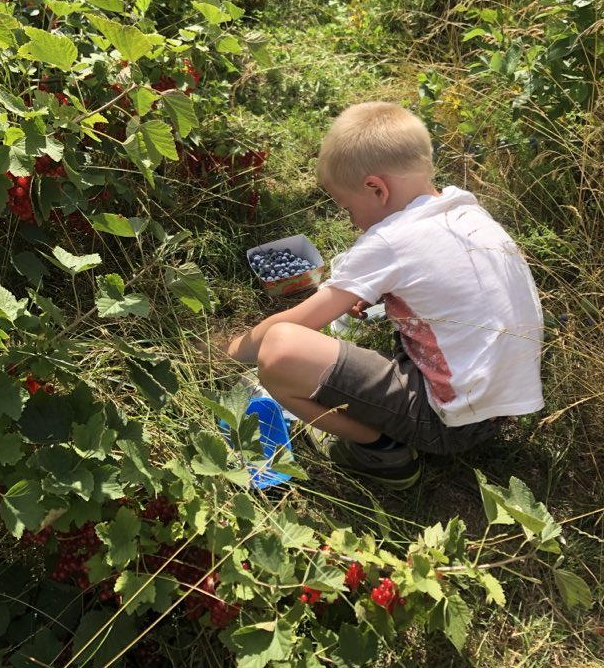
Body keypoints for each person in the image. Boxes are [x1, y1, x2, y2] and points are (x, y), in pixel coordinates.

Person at [225, 101, 544, 489]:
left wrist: (228, 351)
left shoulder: (390, 241)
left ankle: (381, 452)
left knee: (279, 351)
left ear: (376, 188)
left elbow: (296, 325)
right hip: (497, 410)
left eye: (348, 209)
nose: (352, 222)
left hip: (448, 422)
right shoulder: (465, 210)